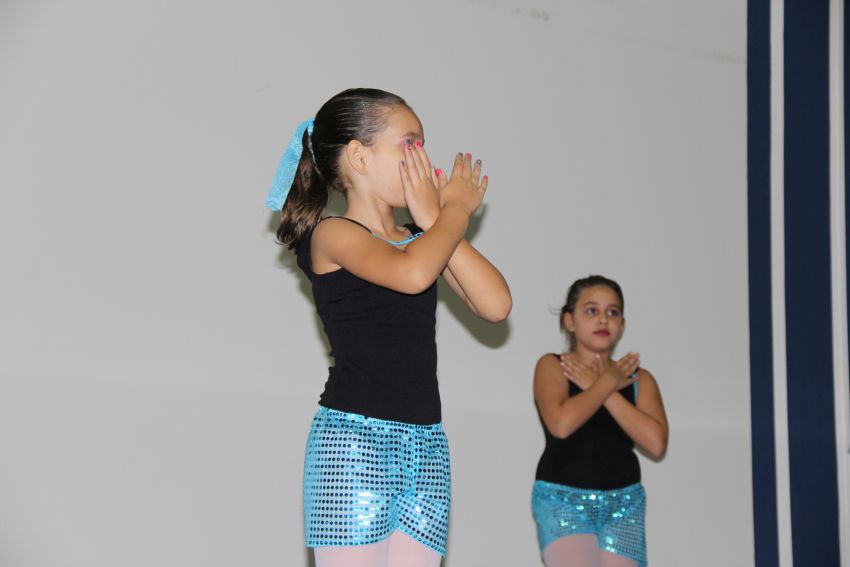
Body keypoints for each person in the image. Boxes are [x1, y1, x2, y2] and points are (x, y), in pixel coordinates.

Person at [267, 88, 512, 567]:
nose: (423, 160)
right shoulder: (333, 234)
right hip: (354, 446)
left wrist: (434, 218)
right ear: (359, 157)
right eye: (410, 144)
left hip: (426, 448)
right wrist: (453, 212)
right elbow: (411, 273)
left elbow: (496, 305)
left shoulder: (423, 239)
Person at [531, 275, 668, 567]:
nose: (603, 319)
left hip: (625, 504)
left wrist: (605, 385)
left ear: (622, 325)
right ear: (570, 320)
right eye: (591, 310)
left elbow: (656, 443)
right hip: (562, 500)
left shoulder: (639, 379)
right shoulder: (553, 366)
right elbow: (561, 425)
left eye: (612, 312)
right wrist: (606, 382)